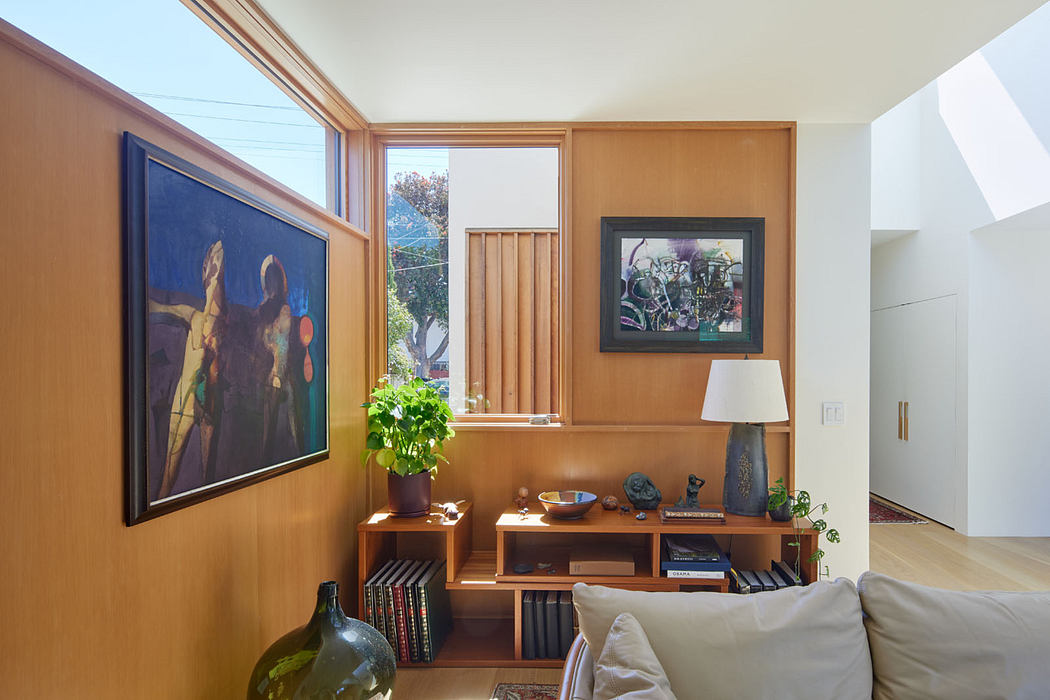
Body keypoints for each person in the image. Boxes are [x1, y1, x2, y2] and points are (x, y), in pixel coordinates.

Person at [150, 240, 227, 499]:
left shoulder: (216, 321)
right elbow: (164, 309)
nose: (214, 273)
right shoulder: (196, 316)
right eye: (211, 268)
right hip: (185, 400)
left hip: (208, 405)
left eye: (218, 269)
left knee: (207, 477)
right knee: (167, 479)